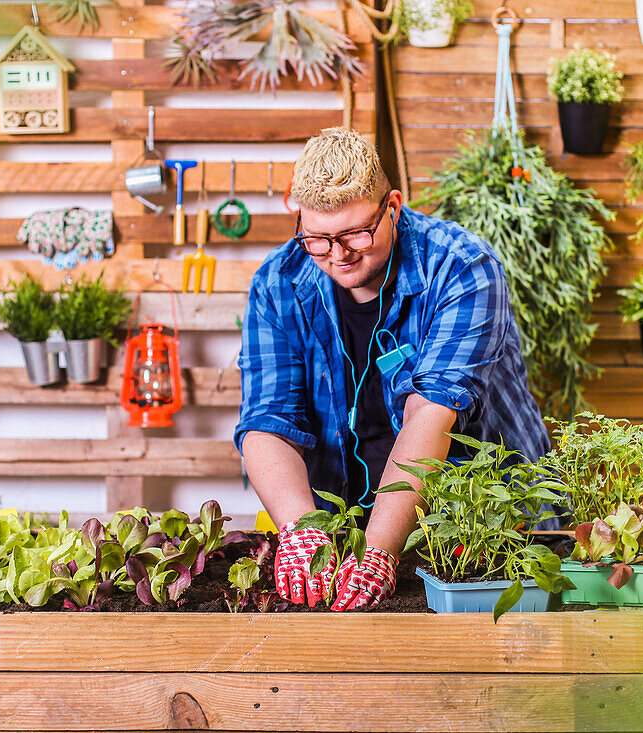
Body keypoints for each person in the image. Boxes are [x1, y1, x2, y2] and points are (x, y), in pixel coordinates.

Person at [235, 127, 553, 612]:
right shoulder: (278, 283)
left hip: (477, 529)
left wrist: (381, 551)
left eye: (356, 233)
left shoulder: (461, 267)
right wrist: (305, 532)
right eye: (318, 238)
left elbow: (431, 414)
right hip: (353, 525)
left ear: (394, 205)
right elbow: (266, 422)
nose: (338, 255)